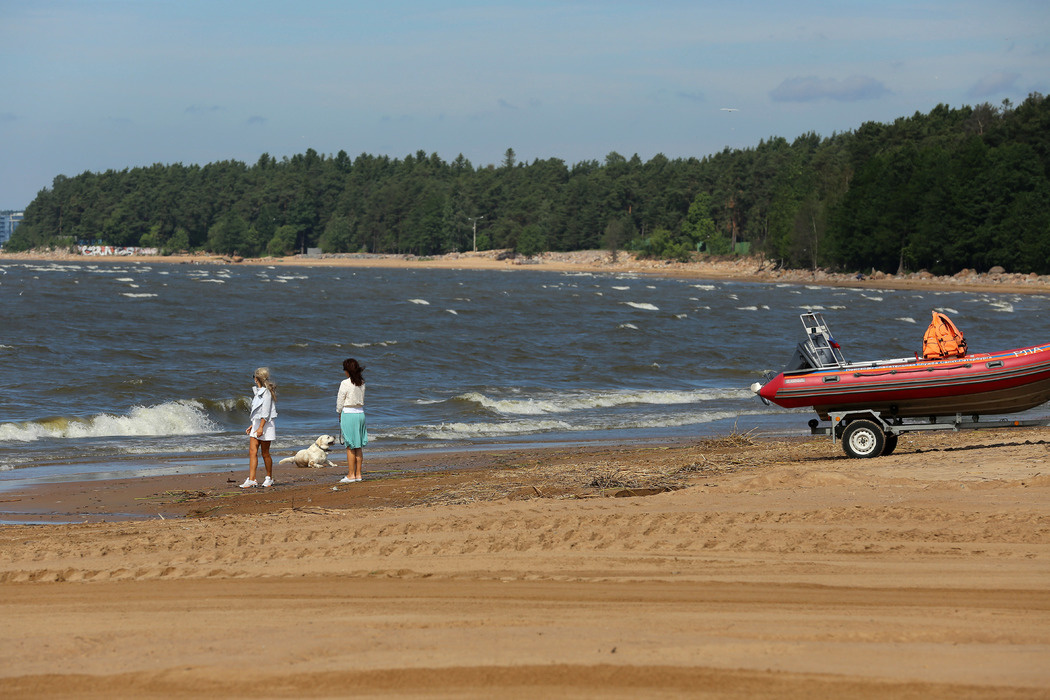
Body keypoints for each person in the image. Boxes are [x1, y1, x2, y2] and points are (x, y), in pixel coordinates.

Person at [241, 367, 278, 488]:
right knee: (252, 452)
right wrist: (253, 425)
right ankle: (252, 479)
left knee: (265, 453)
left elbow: (266, 413)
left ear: (256, 378)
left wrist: (261, 427)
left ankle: (269, 477)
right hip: (258, 424)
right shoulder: (258, 392)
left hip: (266, 425)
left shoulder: (267, 392)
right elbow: (258, 411)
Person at [336, 358, 368, 483]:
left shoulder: (345, 383)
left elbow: (340, 401)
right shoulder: (362, 382)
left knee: (350, 446)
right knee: (358, 445)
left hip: (348, 413)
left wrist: (339, 412)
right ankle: (358, 474)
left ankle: (351, 475)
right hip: (360, 414)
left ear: (347, 370)